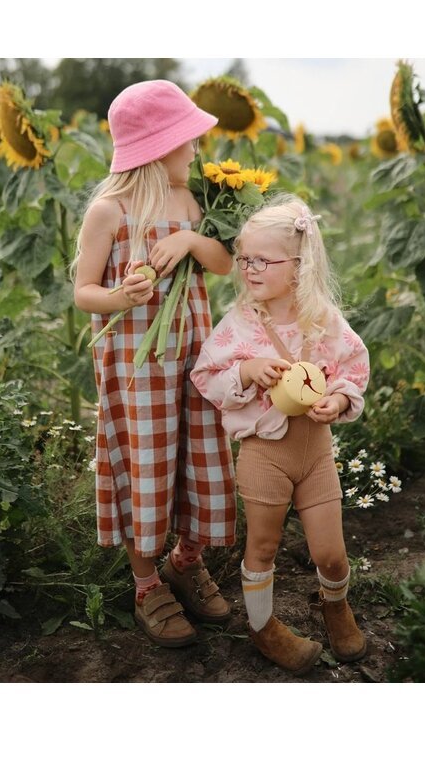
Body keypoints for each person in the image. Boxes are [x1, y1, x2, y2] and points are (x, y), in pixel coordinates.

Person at [73, 80, 236, 648]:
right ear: (157, 146)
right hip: (137, 371)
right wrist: (122, 297)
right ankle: (146, 584)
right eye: (188, 139)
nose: (196, 149)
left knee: (199, 458)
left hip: (192, 358)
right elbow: (83, 292)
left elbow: (221, 265)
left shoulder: (190, 202)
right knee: (147, 466)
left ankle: (184, 561)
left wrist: (192, 237)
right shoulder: (109, 212)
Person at [191, 193, 370, 675]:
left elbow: (354, 367)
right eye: (244, 258)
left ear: (298, 266)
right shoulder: (240, 326)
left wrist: (338, 398)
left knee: (330, 553)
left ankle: (334, 605)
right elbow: (206, 376)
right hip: (264, 453)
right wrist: (246, 370)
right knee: (264, 546)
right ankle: (262, 625)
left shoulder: (324, 324)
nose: (248, 269)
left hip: (314, 452)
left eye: (262, 260)